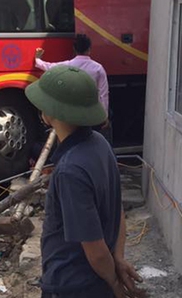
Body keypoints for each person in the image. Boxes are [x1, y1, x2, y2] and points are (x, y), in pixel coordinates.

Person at [24, 66, 145, 298]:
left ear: (51, 113)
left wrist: (115, 285)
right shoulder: (100, 144)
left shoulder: (70, 171)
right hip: (95, 282)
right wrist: (118, 259)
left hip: (73, 287)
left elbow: (95, 249)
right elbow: (117, 209)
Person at [35, 34, 109, 116]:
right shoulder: (98, 68)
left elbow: (48, 66)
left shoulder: (67, 65)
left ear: (74, 49)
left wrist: (38, 59)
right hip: (91, 112)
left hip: (72, 112)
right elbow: (103, 94)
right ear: (89, 49)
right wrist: (104, 115)